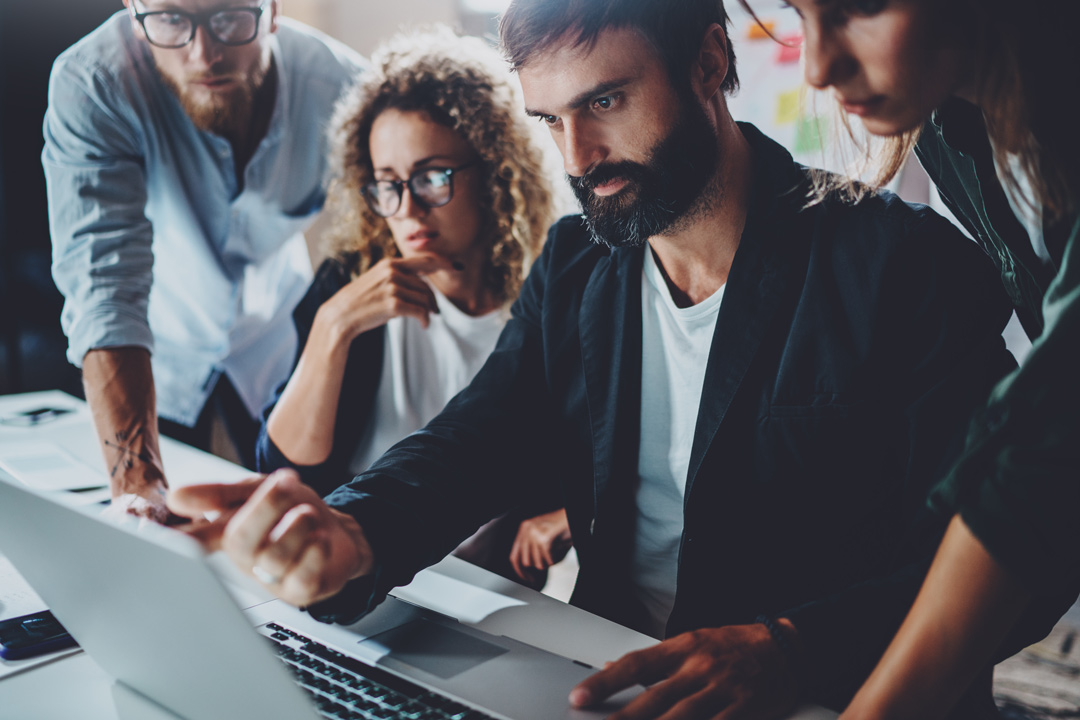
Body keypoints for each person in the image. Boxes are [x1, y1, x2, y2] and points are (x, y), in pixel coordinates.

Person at [169, 0, 1021, 716]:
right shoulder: (577, 264)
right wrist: (352, 532)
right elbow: (471, 443)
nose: (576, 157)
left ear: (709, 62)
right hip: (602, 680)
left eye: (605, 101)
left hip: (827, 694)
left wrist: (792, 649)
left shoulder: (905, 267)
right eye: (551, 119)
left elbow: (1011, 552)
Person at [742, 1, 1080, 718]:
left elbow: (1050, 429)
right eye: (798, 13)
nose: (816, 66)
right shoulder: (948, 129)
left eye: (858, 7)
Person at [254, 27, 567, 589]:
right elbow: (285, 474)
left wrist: (570, 513)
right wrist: (333, 328)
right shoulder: (350, 281)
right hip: (356, 577)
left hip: (487, 596)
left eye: (431, 178)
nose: (408, 210)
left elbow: (595, 450)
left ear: (496, 169)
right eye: (387, 185)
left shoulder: (549, 297)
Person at [42, 0, 365, 521]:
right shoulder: (94, 82)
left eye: (229, 18)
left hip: (278, 339)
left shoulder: (346, 88)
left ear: (273, 9)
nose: (204, 53)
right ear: (133, 9)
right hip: (156, 349)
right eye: (170, 19)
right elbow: (102, 282)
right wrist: (137, 485)